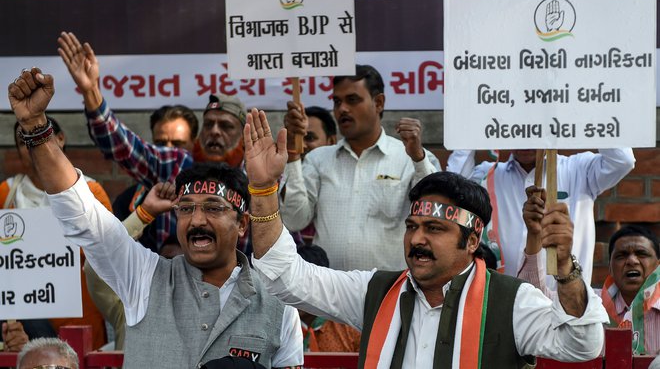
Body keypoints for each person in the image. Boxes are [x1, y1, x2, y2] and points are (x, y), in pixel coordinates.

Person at [244, 109, 608, 367]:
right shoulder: (375, 292)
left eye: (434, 229)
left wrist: (565, 269)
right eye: (412, 226)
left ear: (471, 239)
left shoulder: (511, 303)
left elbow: (582, 344)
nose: (417, 239)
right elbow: (285, 275)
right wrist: (262, 189)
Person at [7, 68, 302, 368]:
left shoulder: (279, 307)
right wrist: (35, 126)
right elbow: (81, 213)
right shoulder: (144, 278)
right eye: (186, 208)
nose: (197, 220)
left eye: (213, 208)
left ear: (242, 223)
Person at [57, 31, 251, 252]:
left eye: (226, 126)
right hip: (171, 283)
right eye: (209, 124)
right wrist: (91, 91)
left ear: (243, 136)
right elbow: (122, 145)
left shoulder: (257, 179)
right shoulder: (174, 164)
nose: (215, 132)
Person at [281, 65, 441, 271]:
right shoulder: (318, 159)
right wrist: (293, 154)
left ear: (379, 102)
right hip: (328, 291)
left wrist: (418, 158)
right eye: (337, 102)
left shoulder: (410, 157)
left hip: (389, 292)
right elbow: (294, 220)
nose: (342, 109)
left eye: (352, 100)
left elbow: (434, 215)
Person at [446, 148, 635, 288]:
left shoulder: (579, 168)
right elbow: (450, 190)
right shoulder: (487, 175)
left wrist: (590, 107)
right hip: (505, 309)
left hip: (566, 305)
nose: (526, 137)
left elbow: (623, 161)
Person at [0, 116, 110, 350]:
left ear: (60, 139)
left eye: (40, 138)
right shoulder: (5, 194)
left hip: (84, 327)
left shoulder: (91, 192)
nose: (32, 146)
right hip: (24, 332)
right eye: (23, 141)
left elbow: (110, 258)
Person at [519, 186, 659, 355]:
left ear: (657, 265)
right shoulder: (588, 302)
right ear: (610, 268)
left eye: (641, 254)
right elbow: (535, 300)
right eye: (621, 256)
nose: (631, 261)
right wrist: (534, 234)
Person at [84, 182, 179, 350]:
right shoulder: (133, 302)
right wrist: (144, 214)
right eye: (167, 261)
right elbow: (97, 262)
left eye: (183, 264)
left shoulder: (214, 308)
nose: (175, 269)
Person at [112, 104, 199, 252]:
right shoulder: (128, 201)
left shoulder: (207, 196)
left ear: (194, 145)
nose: (168, 151)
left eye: (178, 145)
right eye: (161, 144)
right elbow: (112, 251)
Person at [281, 105, 337, 245]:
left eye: (310, 138)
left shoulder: (343, 182)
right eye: (297, 138)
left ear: (331, 142)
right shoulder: (275, 183)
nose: (302, 146)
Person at [297, 244, 360, 353]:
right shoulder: (279, 326)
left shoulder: (350, 328)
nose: (298, 293)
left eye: (307, 284)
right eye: (295, 285)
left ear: (324, 284)